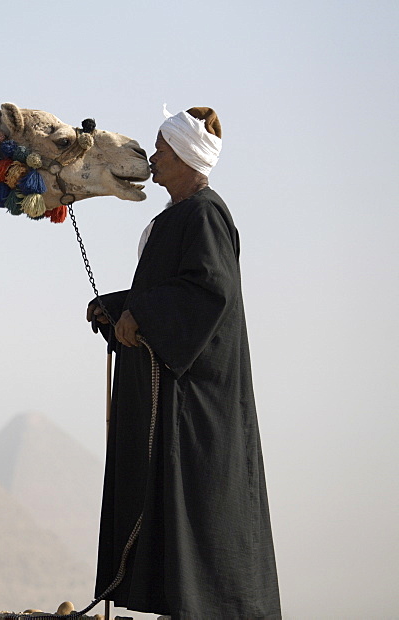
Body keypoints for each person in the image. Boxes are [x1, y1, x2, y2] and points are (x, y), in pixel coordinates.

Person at [86, 107, 281, 618]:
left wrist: (141, 312)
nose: (152, 157)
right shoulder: (180, 216)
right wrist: (118, 306)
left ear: (187, 156)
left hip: (195, 400)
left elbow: (209, 291)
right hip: (170, 388)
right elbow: (169, 289)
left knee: (201, 501)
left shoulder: (204, 215)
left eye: (161, 148)